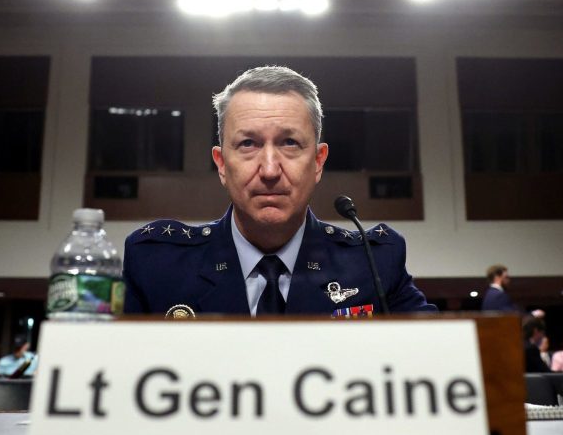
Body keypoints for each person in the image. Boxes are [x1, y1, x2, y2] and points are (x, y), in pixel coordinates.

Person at [122, 66, 436, 316]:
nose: (270, 170)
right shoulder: (157, 264)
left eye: (289, 143)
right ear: (221, 164)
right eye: (248, 143)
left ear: (318, 161)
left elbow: (439, 352)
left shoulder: (374, 262)